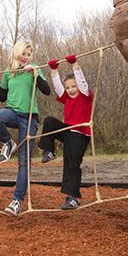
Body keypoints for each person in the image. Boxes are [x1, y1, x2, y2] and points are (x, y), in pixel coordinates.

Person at [0, 41, 51, 216]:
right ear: (16, 53)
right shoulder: (9, 71)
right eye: (23, 53)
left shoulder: (35, 68)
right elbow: (2, 96)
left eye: (28, 54)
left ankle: (17, 201)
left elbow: (47, 91)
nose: (26, 57)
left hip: (29, 118)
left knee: (24, 162)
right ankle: (8, 143)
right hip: (12, 113)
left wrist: (35, 76)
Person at [38, 54, 94, 210]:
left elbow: (82, 83)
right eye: (68, 87)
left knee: (71, 164)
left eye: (73, 86)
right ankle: (49, 151)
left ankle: (73, 198)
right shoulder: (67, 98)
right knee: (49, 121)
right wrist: (54, 71)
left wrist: (75, 65)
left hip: (81, 135)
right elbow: (57, 87)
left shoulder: (85, 96)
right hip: (68, 131)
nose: (70, 90)